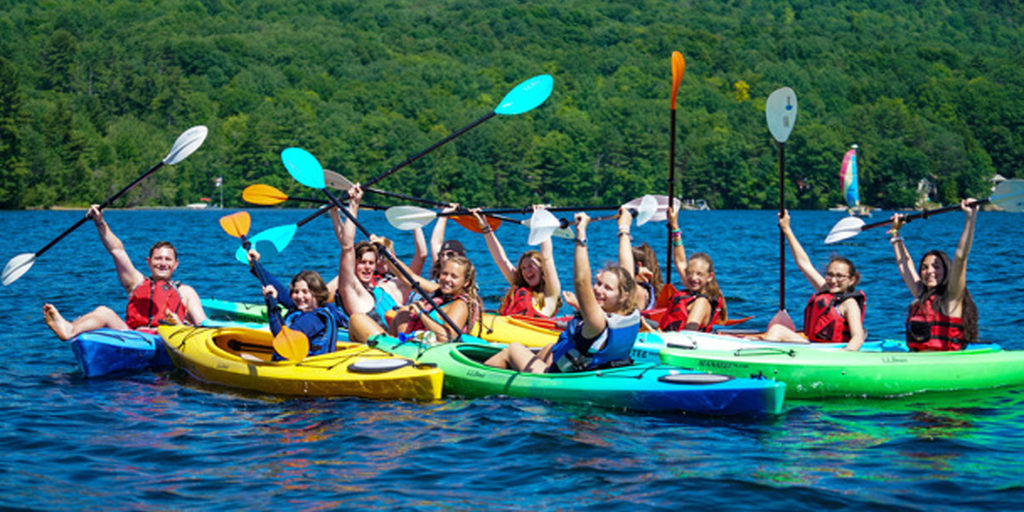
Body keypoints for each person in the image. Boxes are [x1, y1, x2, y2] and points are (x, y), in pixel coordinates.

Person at [484, 212, 641, 374]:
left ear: (624, 295)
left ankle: (480, 376)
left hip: (556, 378)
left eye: (607, 288)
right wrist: (624, 228)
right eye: (598, 283)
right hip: (598, 368)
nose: (598, 289)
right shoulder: (630, 311)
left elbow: (581, 282)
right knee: (549, 348)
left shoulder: (596, 322)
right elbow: (627, 271)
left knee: (513, 349)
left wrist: (581, 235)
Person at [43, 205, 206, 340]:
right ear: (149, 262)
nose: (162, 263)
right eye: (158, 259)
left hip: (170, 338)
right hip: (134, 338)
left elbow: (203, 325)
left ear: (175, 264)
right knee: (104, 311)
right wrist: (100, 222)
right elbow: (117, 250)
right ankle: (69, 329)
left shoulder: (186, 292)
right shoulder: (136, 282)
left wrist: (181, 326)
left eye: (167, 259)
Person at [764, 210, 866, 351]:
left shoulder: (850, 304)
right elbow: (804, 264)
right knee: (777, 330)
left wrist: (845, 355)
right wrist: (787, 229)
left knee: (777, 331)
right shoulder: (826, 289)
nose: (833, 280)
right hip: (815, 348)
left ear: (851, 280)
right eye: (830, 275)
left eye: (839, 276)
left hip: (833, 354)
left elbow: (858, 337)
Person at [888, 199, 979, 351]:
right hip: (918, 361)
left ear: (947, 270)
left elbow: (961, 257)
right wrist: (895, 231)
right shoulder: (921, 294)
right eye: (924, 267)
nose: (929, 271)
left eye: (936, 267)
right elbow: (904, 264)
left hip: (944, 365)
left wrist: (971, 216)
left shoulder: (952, 297)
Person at [331, 186, 426, 328]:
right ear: (353, 264)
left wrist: (414, 222)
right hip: (378, 340)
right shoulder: (352, 290)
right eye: (362, 263)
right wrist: (351, 206)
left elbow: (422, 255)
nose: (367, 267)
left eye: (371, 263)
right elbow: (347, 246)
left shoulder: (390, 288)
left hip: (404, 338)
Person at [348, 252, 483, 344]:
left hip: (421, 351)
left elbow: (448, 337)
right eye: (444, 274)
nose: (447, 279)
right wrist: (387, 255)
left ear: (466, 282)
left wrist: (421, 313)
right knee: (400, 314)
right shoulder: (440, 292)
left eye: (454, 276)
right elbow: (410, 278)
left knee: (357, 319)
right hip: (405, 343)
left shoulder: (459, 305)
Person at [248, 249, 347, 358]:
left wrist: (271, 304)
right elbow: (280, 290)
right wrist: (256, 266)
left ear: (317, 294)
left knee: (245, 357)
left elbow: (283, 339)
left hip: (304, 369)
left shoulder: (313, 319)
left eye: (305, 292)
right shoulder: (306, 307)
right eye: (296, 292)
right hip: (300, 366)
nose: (300, 296)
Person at [471, 207, 561, 318]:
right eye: (523, 268)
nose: (527, 271)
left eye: (531, 266)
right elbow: (501, 260)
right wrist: (485, 227)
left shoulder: (551, 294)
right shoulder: (519, 285)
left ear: (542, 269)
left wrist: (542, 219)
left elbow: (547, 259)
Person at [658, 206, 728, 332]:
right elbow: (680, 261)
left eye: (699, 274)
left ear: (709, 277)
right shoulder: (692, 288)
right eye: (690, 273)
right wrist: (674, 227)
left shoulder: (701, 302)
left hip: (683, 345)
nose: (693, 278)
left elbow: (689, 335)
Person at [616, 207, 663, 311]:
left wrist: (624, 229)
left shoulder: (637, 292)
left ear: (639, 265)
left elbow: (626, 274)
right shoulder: (653, 290)